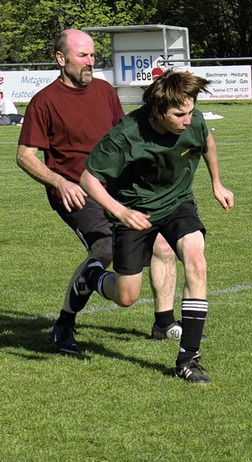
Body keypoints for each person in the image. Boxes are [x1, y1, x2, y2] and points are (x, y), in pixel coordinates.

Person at [16, 29, 180, 355]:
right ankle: (64, 325)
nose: (90, 62)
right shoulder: (44, 101)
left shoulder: (105, 91)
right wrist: (60, 182)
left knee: (163, 242)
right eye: (82, 56)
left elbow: (124, 139)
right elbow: (24, 156)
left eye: (92, 55)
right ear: (61, 59)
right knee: (104, 248)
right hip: (75, 192)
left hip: (117, 188)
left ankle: (163, 323)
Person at [77, 70, 234, 383]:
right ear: (158, 112)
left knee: (196, 261)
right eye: (179, 114)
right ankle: (92, 276)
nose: (188, 120)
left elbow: (206, 141)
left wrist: (217, 183)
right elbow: (88, 179)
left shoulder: (194, 120)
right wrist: (120, 211)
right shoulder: (126, 134)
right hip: (135, 211)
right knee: (126, 296)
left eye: (191, 111)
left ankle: (188, 359)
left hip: (178, 202)